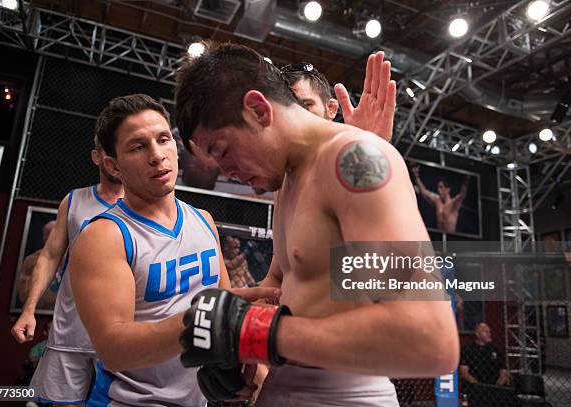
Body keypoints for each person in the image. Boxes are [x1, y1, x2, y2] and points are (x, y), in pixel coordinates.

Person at [174, 42, 459, 406]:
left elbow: (431, 340)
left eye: (222, 150)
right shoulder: (287, 180)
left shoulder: (355, 160)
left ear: (258, 110)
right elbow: (286, 293)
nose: (225, 172)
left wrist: (258, 335)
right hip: (283, 385)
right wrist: (236, 353)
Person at [68, 94, 278, 406]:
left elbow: (222, 303)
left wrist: (249, 366)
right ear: (113, 165)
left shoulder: (203, 221)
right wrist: (201, 321)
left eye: (163, 139)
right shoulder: (104, 236)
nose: (157, 155)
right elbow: (114, 351)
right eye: (138, 147)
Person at [11, 138, 124, 406]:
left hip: (119, 338)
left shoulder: (144, 203)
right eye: (111, 154)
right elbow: (50, 255)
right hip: (69, 333)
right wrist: (29, 309)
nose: (117, 161)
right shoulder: (74, 201)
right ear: (97, 157)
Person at [281, 51, 396, 142]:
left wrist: (370, 145)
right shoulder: (268, 166)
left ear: (331, 108)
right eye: (286, 108)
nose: (296, 115)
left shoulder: (347, 160)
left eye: (306, 105)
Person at [411, 166, 469, 234]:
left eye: (441, 187)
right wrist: (416, 176)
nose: (438, 190)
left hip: (450, 238)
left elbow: (462, 195)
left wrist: (466, 181)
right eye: (438, 187)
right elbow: (424, 192)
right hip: (439, 237)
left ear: (447, 189)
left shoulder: (453, 203)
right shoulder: (437, 201)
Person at [15, 221, 58, 309]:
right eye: (46, 234)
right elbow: (23, 291)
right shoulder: (31, 260)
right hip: (36, 311)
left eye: (51, 234)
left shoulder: (72, 260)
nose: (47, 238)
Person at [460, 322, 509, 389]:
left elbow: (503, 371)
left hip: (494, 387)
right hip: (474, 387)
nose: (489, 334)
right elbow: (464, 372)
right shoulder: (468, 349)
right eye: (486, 332)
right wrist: (478, 386)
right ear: (477, 334)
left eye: (489, 331)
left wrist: (497, 386)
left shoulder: (496, 349)